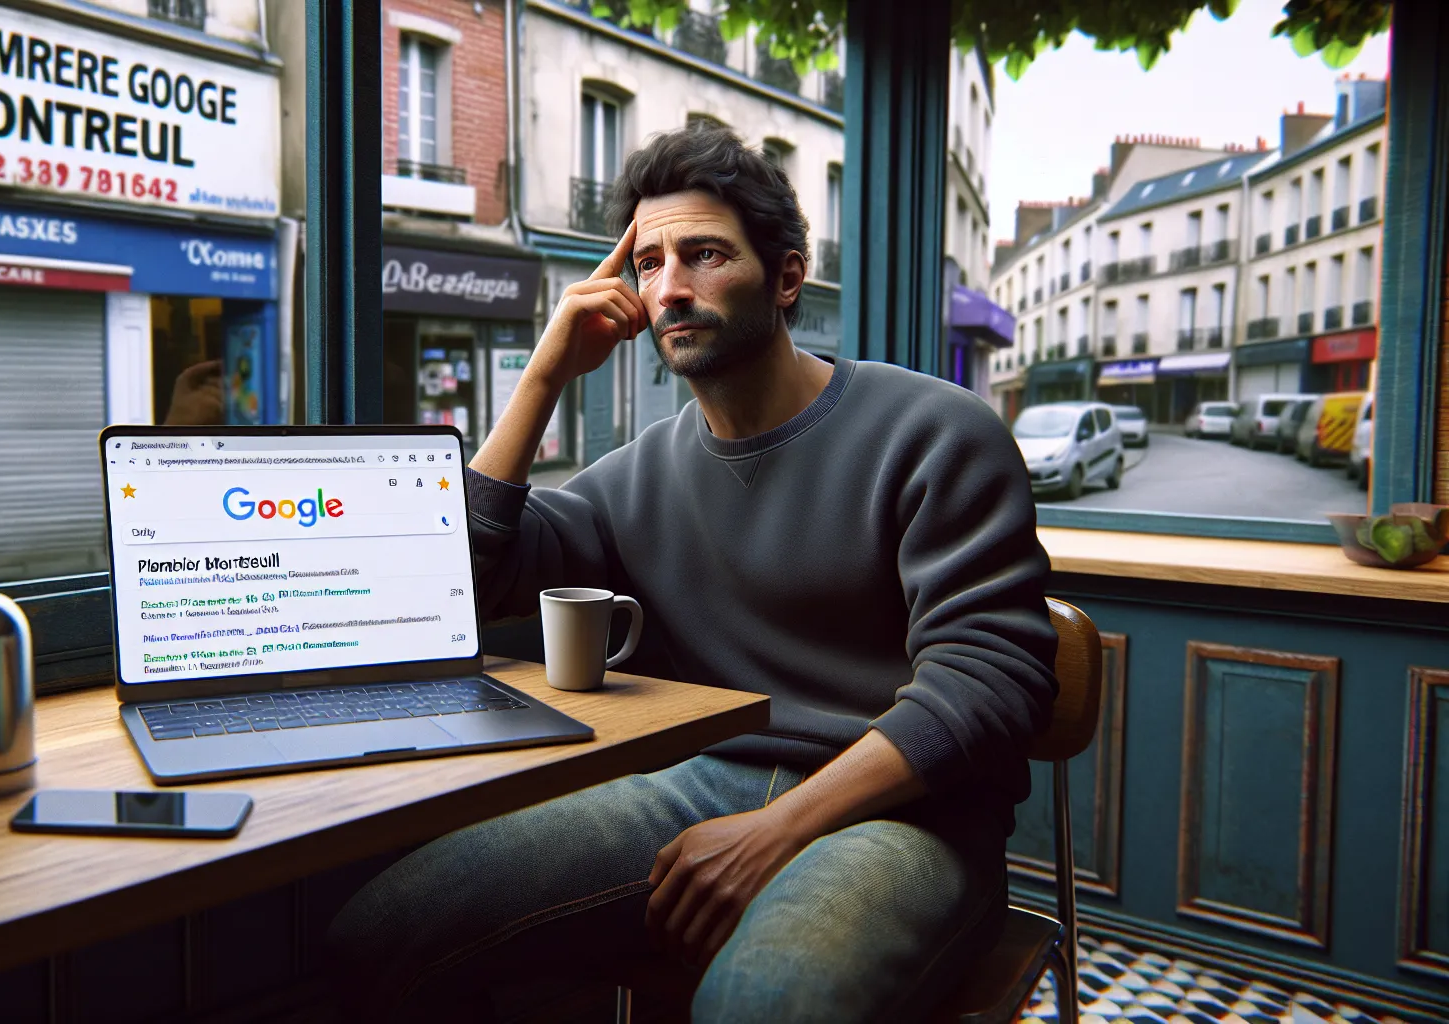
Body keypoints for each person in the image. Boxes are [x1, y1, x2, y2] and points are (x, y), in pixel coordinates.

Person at [325, 123, 1059, 1023]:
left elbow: (991, 688)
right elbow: (465, 582)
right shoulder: (634, 477)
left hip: (911, 818)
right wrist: (546, 373)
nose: (668, 287)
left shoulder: (937, 432)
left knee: (761, 1005)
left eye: (704, 255)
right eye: (649, 263)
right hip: (699, 785)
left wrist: (778, 830)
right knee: (379, 931)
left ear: (787, 277)